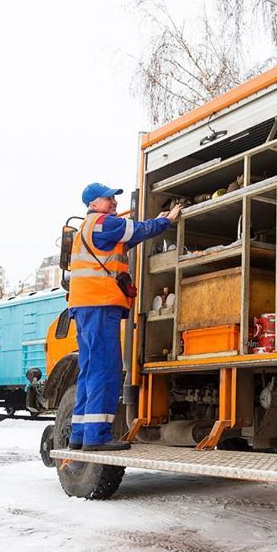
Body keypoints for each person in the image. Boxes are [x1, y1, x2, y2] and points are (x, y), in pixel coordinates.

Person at [67, 182, 181, 451]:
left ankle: (80, 434)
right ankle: (97, 436)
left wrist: (155, 224)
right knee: (106, 371)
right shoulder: (103, 223)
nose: (114, 202)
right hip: (99, 305)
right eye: (108, 198)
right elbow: (137, 230)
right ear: (93, 204)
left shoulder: (88, 228)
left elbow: (131, 237)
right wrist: (165, 221)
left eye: (114, 198)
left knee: (90, 370)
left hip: (86, 307)